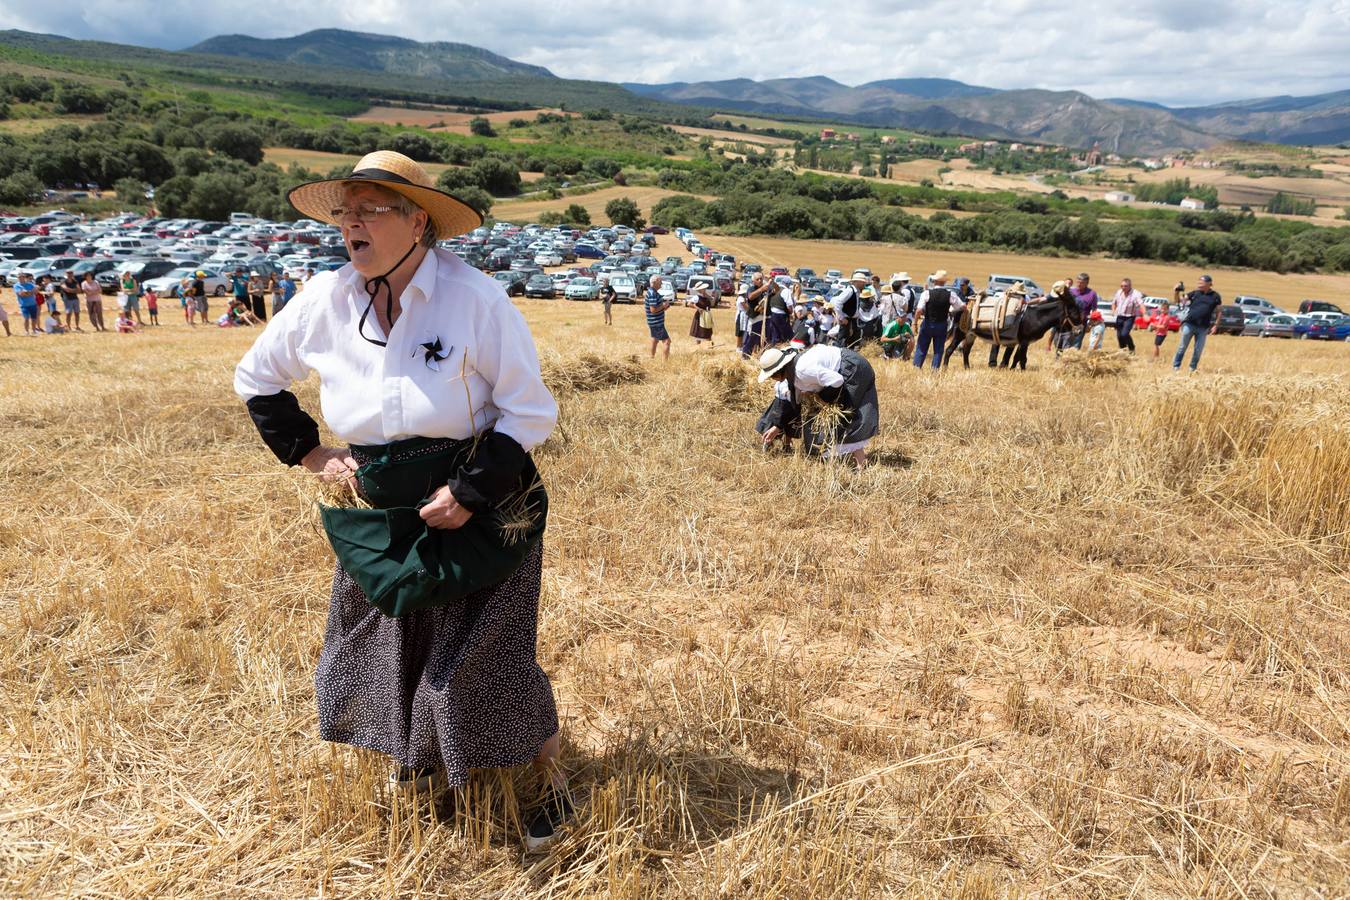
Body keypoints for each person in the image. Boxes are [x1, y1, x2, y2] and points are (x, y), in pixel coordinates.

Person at [233, 150, 569, 851]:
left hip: (484, 500)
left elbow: (530, 413)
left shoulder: (475, 299)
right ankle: (418, 766)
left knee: (485, 655)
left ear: (418, 222)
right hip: (381, 510)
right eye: (344, 210)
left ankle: (545, 783)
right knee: (380, 650)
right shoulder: (325, 299)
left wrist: (471, 491)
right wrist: (312, 452)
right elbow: (256, 377)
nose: (349, 222)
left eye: (369, 209)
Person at [755, 344, 879, 469]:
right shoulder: (792, 373)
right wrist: (777, 426)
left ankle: (860, 464)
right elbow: (794, 403)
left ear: (778, 371)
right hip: (843, 371)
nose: (772, 379)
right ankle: (847, 462)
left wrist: (822, 398)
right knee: (838, 417)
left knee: (845, 416)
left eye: (771, 375)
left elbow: (837, 381)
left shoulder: (802, 371)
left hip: (853, 369)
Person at [911, 270, 963, 370]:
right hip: (942, 324)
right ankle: (934, 370)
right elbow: (961, 306)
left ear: (934, 281)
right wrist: (951, 310)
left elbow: (919, 310)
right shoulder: (951, 295)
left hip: (927, 323)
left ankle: (916, 368)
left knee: (921, 347)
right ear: (944, 282)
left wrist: (915, 323)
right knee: (938, 350)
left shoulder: (926, 293)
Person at [1173, 274, 1222, 374]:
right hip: (1189, 324)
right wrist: (1176, 292)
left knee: (1198, 349)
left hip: (1203, 327)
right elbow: (1178, 301)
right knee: (1182, 346)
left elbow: (1219, 311)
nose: (1199, 284)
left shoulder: (1215, 296)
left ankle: (1192, 368)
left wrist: (1216, 325)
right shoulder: (1194, 293)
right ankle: (1176, 366)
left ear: (1209, 284)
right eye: (1198, 282)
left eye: (1201, 282)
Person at [739, 273, 772, 357]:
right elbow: (750, 297)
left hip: (766, 318)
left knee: (765, 340)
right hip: (755, 318)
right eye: (757, 279)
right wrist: (761, 289)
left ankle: (762, 357)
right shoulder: (751, 289)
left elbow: (776, 290)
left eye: (761, 279)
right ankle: (745, 357)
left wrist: (772, 281)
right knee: (751, 339)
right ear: (753, 281)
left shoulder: (767, 288)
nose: (760, 280)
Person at [1111, 278, 1143, 353]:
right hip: (1120, 316)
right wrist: (1113, 310)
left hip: (1130, 317)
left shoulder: (1135, 294)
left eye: (1125, 286)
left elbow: (1141, 304)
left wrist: (1144, 314)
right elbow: (1114, 302)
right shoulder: (1119, 292)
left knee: (1124, 334)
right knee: (1119, 336)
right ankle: (1123, 350)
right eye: (1122, 286)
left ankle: (1131, 348)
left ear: (1130, 286)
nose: (1123, 288)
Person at [1067, 272, 1098, 350]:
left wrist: (1090, 324)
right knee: (1065, 342)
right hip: (1068, 322)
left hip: (1081, 323)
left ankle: (1072, 359)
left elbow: (1094, 311)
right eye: (1078, 282)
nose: (1079, 284)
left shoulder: (1092, 294)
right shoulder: (1070, 291)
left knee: (1076, 344)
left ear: (1087, 283)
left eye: (1082, 283)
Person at [644, 275, 672, 359]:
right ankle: (665, 363)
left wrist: (665, 307)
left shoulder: (653, 292)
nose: (661, 284)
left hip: (654, 322)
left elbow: (656, 308)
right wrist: (663, 305)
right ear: (654, 282)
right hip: (656, 322)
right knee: (667, 342)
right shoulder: (652, 293)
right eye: (660, 282)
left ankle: (651, 357)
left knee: (655, 340)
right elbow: (653, 310)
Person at [687, 280, 714, 346]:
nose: (705, 289)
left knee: (707, 331)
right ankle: (697, 346)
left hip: (707, 315)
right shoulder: (696, 297)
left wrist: (707, 296)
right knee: (698, 332)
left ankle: (710, 346)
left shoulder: (705, 295)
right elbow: (689, 303)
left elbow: (712, 300)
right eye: (703, 288)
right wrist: (698, 308)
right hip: (700, 315)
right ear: (700, 289)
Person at [15, 272, 40, 336]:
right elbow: (21, 294)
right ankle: (27, 332)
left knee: (34, 318)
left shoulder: (30, 284)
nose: (21, 278)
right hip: (24, 305)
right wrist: (30, 292)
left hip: (33, 304)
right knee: (26, 319)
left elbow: (36, 292)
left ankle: (34, 331)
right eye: (19, 277)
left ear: (24, 277)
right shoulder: (16, 285)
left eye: (22, 277)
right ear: (17, 278)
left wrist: (27, 292)